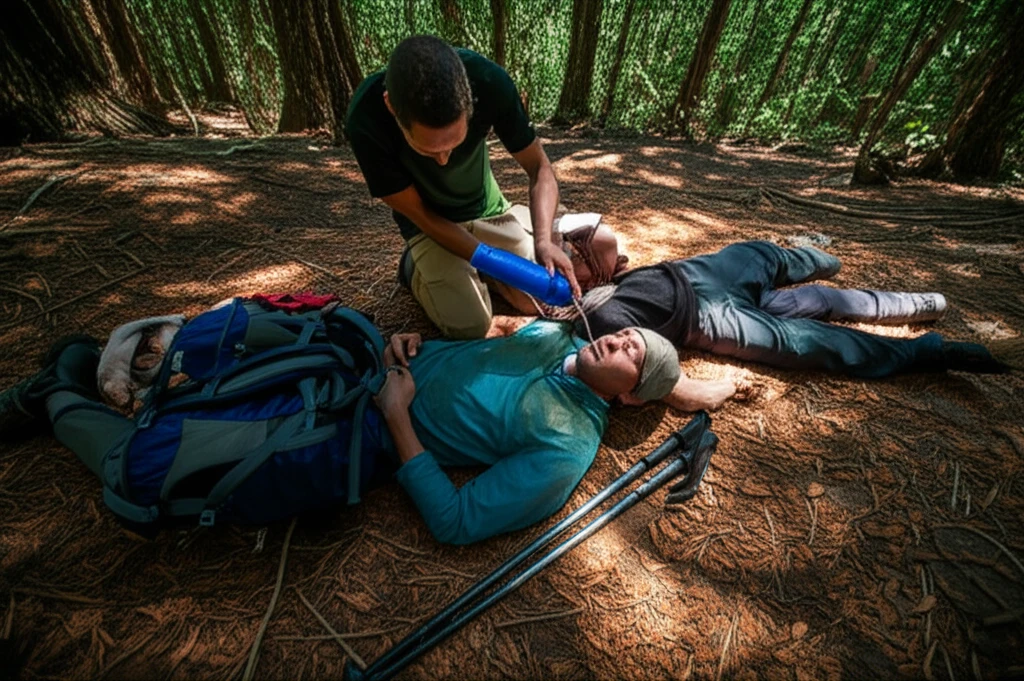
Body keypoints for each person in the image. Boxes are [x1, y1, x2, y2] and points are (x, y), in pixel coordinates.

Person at [0, 313, 745, 546]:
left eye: (633, 355)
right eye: (628, 333)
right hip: (361, 362)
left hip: (358, 434)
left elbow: (457, 522)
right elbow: (469, 349)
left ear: (631, 399)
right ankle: (109, 370)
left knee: (149, 468)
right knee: (241, 340)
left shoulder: (567, 446)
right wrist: (410, 344)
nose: (619, 339)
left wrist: (399, 419)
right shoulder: (551, 334)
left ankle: (54, 398)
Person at [345, 35, 577, 339]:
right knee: (469, 325)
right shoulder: (365, 119)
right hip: (428, 225)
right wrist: (489, 258)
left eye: (454, 144)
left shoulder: (489, 82)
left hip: (486, 209)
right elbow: (419, 213)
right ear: (391, 107)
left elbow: (539, 167)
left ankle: (507, 238)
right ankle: (412, 266)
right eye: (427, 150)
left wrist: (544, 241)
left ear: (471, 101)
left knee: (533, 300)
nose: (443, 161)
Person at [562, 238, 1020, 377]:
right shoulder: (589, 322)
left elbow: (601, 247)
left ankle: (818, 256)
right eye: (570, 258)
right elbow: (635, 372)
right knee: (803, 341)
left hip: (701, 271)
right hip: (704, 320)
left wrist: (607, 268)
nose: (573, 259)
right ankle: (926, 352)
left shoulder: (608, 279)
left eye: (575, 255)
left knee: (776, 261)